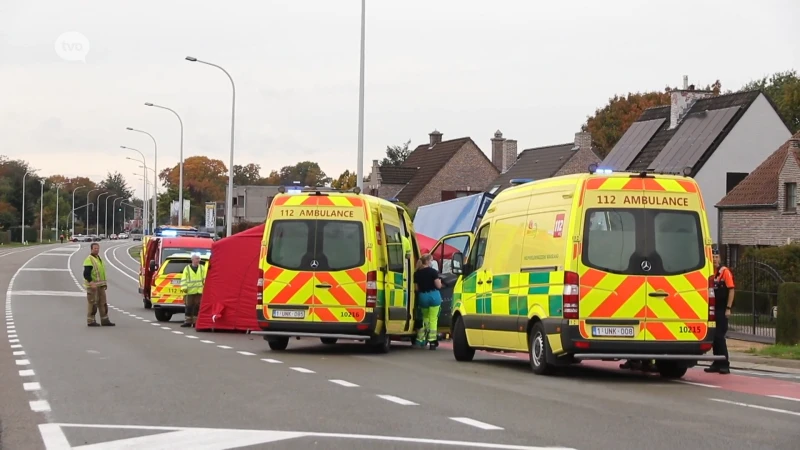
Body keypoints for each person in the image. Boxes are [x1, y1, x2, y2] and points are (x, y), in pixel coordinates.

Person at [705, 252, 734, 374]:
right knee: (714, 337)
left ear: (720, 258)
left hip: (722, 309)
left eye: (717, 257)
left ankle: (724, 363)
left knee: (719, 336)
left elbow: (731, 290)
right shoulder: (709, 271)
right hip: (712, 308)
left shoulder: (724, 272)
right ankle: (716, 362)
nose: (715, 259)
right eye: (713, 257)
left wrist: (728, 308)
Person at [414, 253, 443, 350]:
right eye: (431, 260)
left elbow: (417, 288)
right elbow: (438, 286)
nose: (431, 262)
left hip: (423, 297)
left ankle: (422, 339)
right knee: (433, 319)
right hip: (434, 296)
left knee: (425, 318)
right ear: (427, 261)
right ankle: (432, 340)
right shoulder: (433, 272)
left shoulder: (417, 273)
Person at [83, 243, 115, 327]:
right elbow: (86, 273)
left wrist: (104, 284)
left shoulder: (98, 258)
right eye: (95, 248)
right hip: (93, 286)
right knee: (93, 304)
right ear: (91, 249)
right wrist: (91, 282)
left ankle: (105, 320)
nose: (96, 250)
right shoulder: (89, 259)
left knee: (103, 303)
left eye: (97, 248)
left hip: (100, 286)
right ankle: (90, 320)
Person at [180, 253, 207, 328]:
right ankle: (188, 321)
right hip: (189, 291)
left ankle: (196, 322)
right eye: (196, 258)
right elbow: (184, 279)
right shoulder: (187, 268)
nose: (198, 260)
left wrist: (205, 288)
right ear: (192, 259)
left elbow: (204, 278)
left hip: (199, 291)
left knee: (197, 307)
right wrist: (184, 288)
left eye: (199, 259)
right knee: (188, 306)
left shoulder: (202, 268)